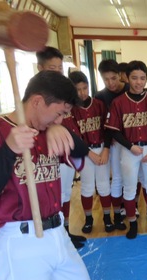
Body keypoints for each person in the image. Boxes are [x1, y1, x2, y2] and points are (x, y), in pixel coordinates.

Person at [0, 71, 96, 280]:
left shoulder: (49, 129)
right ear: (38, 101)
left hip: (57, 234)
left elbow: (81, 150)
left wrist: (58, 127)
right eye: (60, 113)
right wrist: (9, 149)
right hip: (21, 242)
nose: (63, 119)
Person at [105, 60, 147, 239]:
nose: (139, 82)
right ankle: (132, 223)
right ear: (127, 78)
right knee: (129, 187)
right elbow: (114, 131)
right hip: (128, 149)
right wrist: (130, 146)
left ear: (146, 78)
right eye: (134, 78)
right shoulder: (119, 102)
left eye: (142, 78)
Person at [37, 46, 86, 249]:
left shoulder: (65, 90)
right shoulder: (36, 93)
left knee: (65, 192)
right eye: (51, 67)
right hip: (47, 151)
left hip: (67, 147)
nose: (56, 71)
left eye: (59, 67)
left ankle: (65, 231)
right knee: (51, 194)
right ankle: (54, 236)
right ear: (40, 67)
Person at [68, 71, 114, 233]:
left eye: (85, 88)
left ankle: (107, 218)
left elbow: (108, 128)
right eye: (78, 89)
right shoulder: (71, 109)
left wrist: (106, 149)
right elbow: (73, 137)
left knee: (103, 185)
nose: (82, 93)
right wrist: (89, 153)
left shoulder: (98, 104)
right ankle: (89, 219)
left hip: (101, 148)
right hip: (84, 152)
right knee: (87, 186)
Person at [95, 59, 130, 230]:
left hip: (132, 142)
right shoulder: (100, 96)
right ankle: (117, 214)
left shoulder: (131, 90)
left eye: (114, 78)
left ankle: (131, 208)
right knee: (117, 177)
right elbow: (104, 125)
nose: (110, 83)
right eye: (106, 79)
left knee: (133, 177)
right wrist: (107, 147)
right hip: (115, 143)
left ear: (121, 76)